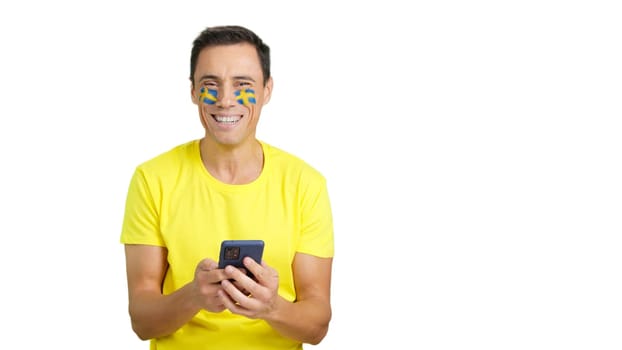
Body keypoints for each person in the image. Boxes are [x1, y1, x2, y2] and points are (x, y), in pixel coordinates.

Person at [119, 25, 335, 350]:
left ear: (267, 90)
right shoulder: (152, 179)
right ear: (193, 92)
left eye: (243, 84)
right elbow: (142, 320)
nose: (225, 100)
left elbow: (317, 325)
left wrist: (272, 307)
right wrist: (193, 296)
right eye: (211, 85)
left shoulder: (306, 184)